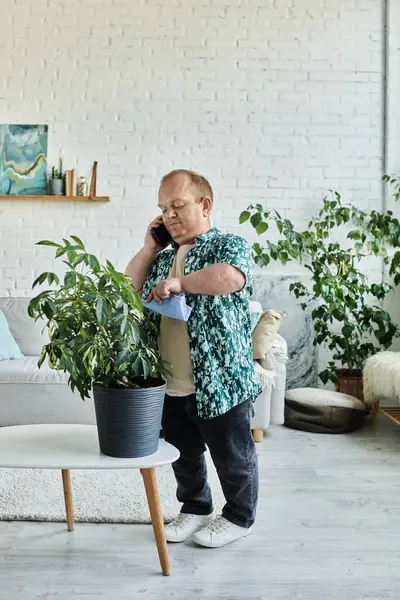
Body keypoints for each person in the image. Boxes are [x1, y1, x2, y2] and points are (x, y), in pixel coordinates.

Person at [125, 169, 261, 548]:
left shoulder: (227, 244)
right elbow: (129, 287)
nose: (169, 214)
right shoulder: (164, 255)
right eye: (163, 208)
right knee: (182, 455)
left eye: (178, 205)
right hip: (170, 380)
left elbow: (231, 278)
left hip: (220, 379)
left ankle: (239, 516)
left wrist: (181, 283)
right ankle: (196, 508)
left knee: (232, 455)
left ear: (205, 205)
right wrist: (150, 247)